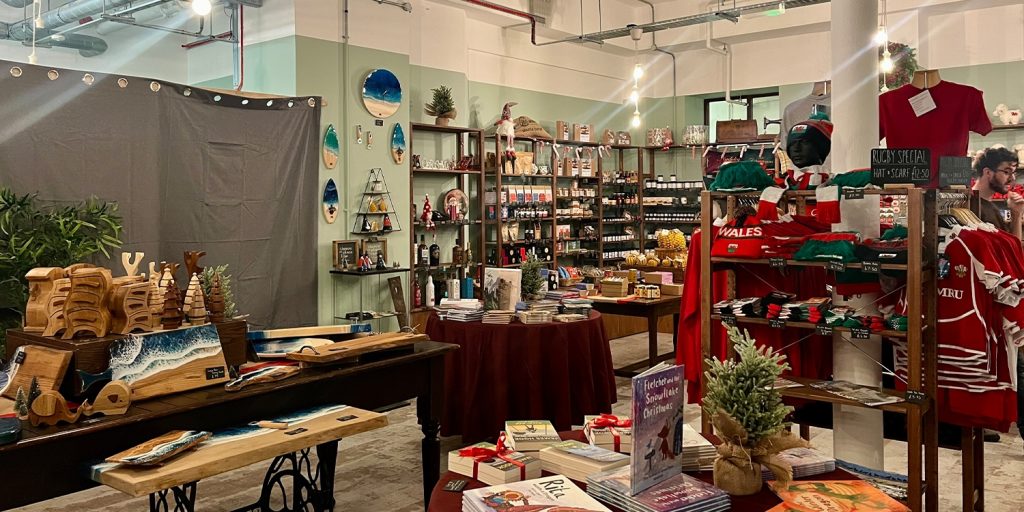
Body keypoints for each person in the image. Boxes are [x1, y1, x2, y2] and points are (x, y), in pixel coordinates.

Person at [970, 146, 1023, 444]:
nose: (1011, 177)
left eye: (1013, 171)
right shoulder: (969, 204)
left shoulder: (998, 207)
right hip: (982, 295)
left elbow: (1014, 248)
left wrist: (1016, 215)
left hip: (1001, 293)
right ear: (987, 172)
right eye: (1006, 170)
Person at [971, 146, 1023, 239]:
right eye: (1007, 172)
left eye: (1014, 173)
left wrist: (1017, 213)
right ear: (987, 172)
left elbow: (1012, 247)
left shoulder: (989, 205)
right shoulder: (972, 206)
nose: (1012, 179)